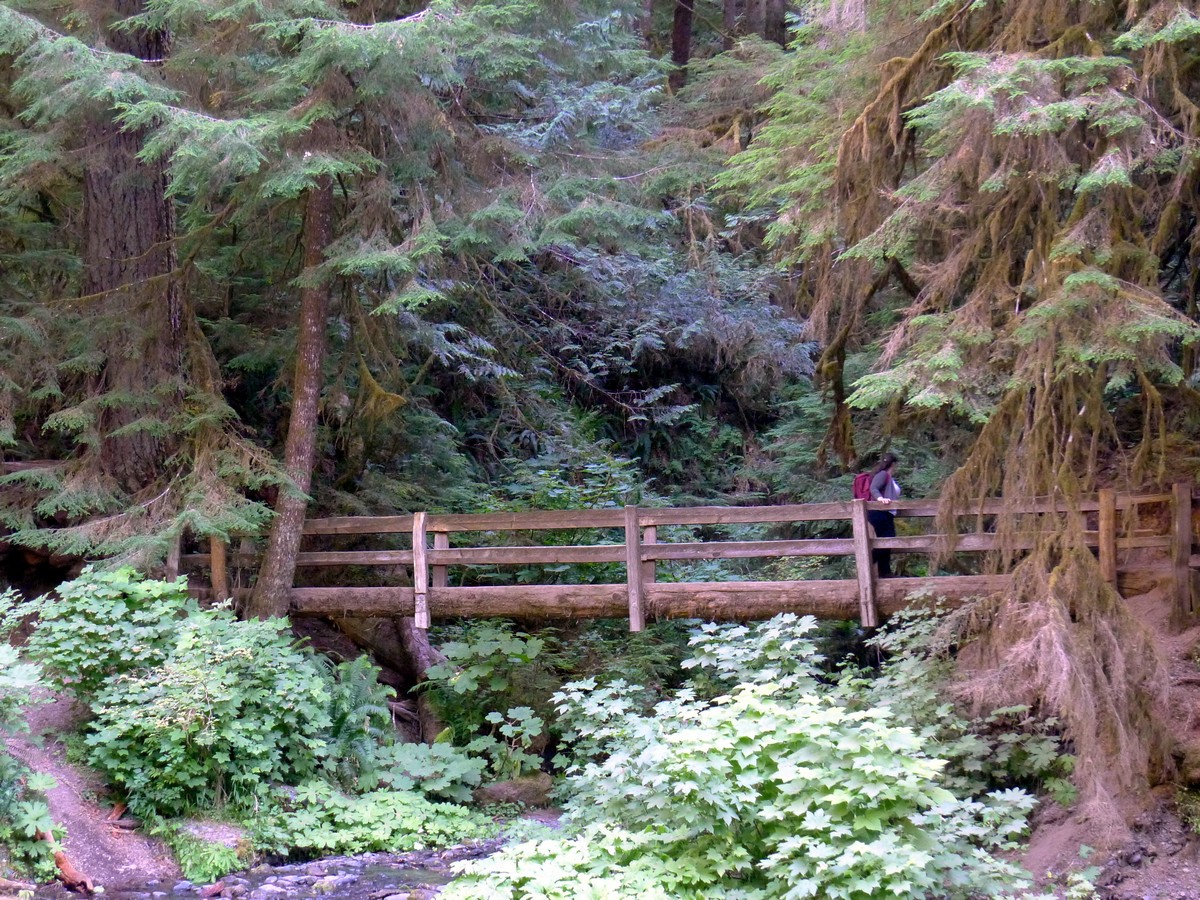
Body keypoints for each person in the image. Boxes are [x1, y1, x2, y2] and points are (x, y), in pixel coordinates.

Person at [867, 453, 900, 578]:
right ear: (893, 464)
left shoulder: (889, 478)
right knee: (887, 540)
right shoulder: (883, 475)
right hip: (878, 512)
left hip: (887, 513)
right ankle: (867, 561)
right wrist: (881, 499)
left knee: (887, 541)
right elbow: (874, 488)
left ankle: (885, 571)